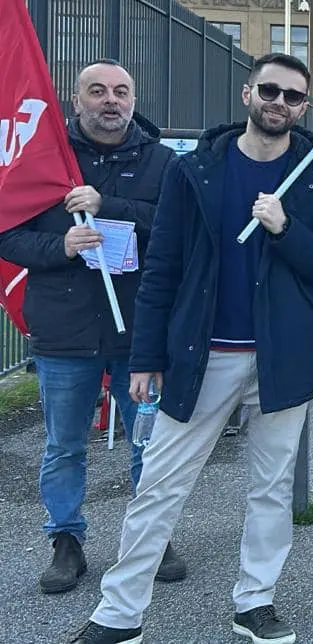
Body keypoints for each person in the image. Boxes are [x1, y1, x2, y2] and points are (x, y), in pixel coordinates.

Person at [70, 53, 313, 644]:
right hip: (203, 354)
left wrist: (285, 227)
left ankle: (255, 602)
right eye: (269, 90)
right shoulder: (196, 169)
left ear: (304, 108)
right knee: (161, 484)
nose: (279, 103)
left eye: (293, 97)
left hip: (283, 357)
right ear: (248, 93)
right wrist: (146, 357)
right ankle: (120, 613)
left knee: (271, 488)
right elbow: (163, 267)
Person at [0, 60, 186, 594]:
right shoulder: (43, 159)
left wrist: (111, 206)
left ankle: (152, 534)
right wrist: (58, 247)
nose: (111, 100)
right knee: (63, 445)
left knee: (150, 444)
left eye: (121, 91)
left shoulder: (161, 162)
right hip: (65, 330)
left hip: (141, 331)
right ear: (75, 100)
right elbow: (8, 235)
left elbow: (179, 226)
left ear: (133, 99)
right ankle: (65, 541)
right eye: (98, 91)